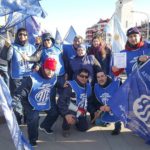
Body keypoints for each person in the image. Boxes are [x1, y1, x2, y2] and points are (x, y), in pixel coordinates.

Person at [12, 58, 59, 146]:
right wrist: (15, 101)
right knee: (34, 118)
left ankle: (45, 126)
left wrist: (62, 84)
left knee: (54, 112)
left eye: (53, 70)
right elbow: (21, 91)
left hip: (43, 99)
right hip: (30, 101)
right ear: (43, 67)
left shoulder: (54, 76)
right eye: (48, 69)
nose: (50, 72)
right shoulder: (32, 78)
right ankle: (33, 139)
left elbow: (57, 83)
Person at [7, 28, 36, 124]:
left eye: (24, 34)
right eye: (20, 34)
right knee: (16, 100)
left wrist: (36, 65)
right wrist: (7, 46)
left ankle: (28, 118)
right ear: (17, 36)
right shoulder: (13, 46)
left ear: (27, 36)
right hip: (16, 78)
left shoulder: (32, 47)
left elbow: (37, 60)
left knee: (28, 98)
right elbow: (6, 57)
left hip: (29, 77)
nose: (22, 36)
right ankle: (18, 119)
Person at [58, 68, 92, 137]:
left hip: (81, 111)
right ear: (77, 76)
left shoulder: (88, 86)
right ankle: (66, 128)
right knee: (69, 116)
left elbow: (90, 101)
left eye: (86, 77)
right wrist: (66, 114)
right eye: (82, 76)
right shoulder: (70, 85)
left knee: (83, 128)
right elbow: (61, 101)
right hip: (71, 109)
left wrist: (94, 111)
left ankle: (77, 120)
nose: (84, 78)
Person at [88, 70, 122, 135]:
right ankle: (107, 121)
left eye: (102, 76)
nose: (100, 79)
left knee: (118, 110)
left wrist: (111, 107)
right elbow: (93, 101)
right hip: (104, 108)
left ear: (106, 77)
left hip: (116, 108)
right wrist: (99, 107)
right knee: (98, 122)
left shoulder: (116, 84)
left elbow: (122, 99)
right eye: (98, 77)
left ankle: (118, 126)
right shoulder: (95, 87)